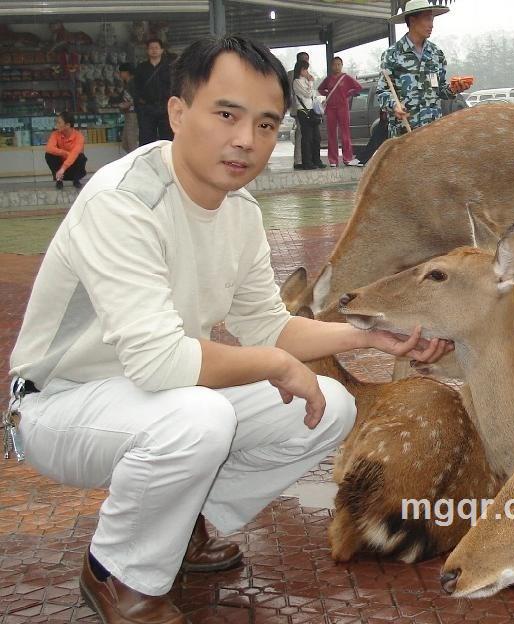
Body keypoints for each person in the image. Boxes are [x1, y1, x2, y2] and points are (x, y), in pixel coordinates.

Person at [9, 36, 449, 624]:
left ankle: (175, 523)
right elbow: (163, 363)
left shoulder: (239, 212)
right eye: (226, 115)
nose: (246, 139)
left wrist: (368, 337)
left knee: (332, 406)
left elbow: (268, 327)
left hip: (157, 398)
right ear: (177, 113)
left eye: (266, 124)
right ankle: (117, 574)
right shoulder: (123, 202)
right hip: (60, 404)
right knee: (200, 418)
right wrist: (277, 365)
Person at [376, 0, 471, 137]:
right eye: (427, 19)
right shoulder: (392, 55)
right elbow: (382, 92)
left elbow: (440, 91)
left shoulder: (436, 54)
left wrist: (454, 89)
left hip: (432, 133)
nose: (431, 25)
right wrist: (394, 106)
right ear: (412, 20)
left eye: (432, 20)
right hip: (404, 133)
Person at [318, 57, 362, 167]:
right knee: (331, 134)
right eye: (334, 64)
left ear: (342, 65)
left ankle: (347, 158)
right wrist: (327, 93)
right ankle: (333, 160)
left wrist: (348, 94)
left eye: (339, 64)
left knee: (345, 133)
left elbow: (358, 87)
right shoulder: (328, 79)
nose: (336, 67)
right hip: (331, 108)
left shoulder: (346, 78)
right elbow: (320, 89)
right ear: (331, 66)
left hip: (343, 108)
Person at [134, 37, 173, 144]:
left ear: (162, 50)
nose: (154, 50)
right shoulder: (141, 68)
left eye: (156, 48)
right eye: (151, 48)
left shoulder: (169, 67)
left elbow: (175, 85)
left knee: (167, 139)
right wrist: (140, 102)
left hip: (165, 107)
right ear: (147, 50)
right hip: (147, 108)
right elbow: (135, 87)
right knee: (146, 139)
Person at [292, 58, 326, 170]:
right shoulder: (297, 81)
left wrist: (310, 83)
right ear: (300, 70)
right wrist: (311, 82)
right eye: (305, 69)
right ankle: (307, 162)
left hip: (312, 111)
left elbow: (313, 94)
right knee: (307, 138)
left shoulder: (306, 81)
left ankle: (317, 160)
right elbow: (307, 94)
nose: (307, 72)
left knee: (316, 137)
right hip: (303, 111)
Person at [44, 111, 86, 189]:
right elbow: (49, 148)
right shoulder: (55, 134)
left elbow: (74, 154)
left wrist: (63, 169)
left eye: (59, 123)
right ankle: (59, 180)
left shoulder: (79, 136)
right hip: (60, 166)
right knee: (49, 155)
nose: (56, 125)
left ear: (67, 125)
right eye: (56, 122)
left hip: (71, 166)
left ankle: (76, 180)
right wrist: (65, 153)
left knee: (81, 157)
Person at [287, 51, 310, 170]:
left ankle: (307, 159)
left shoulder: (308, 74)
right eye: (302, 59)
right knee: (300, 133)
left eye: (306, 59)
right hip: (298, 108)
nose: (305, 61)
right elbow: (288, 92)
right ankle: (298, 160)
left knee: (308, 135)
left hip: (309, 108)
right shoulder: (291, 74)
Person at [116, 62, 139, 153]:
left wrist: (128, 104)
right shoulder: (127, 84)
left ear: (126, 72)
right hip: (127, 114)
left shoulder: (134, 83)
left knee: (131, 141)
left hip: (133, 114)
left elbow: (138, 98)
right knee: (125, 143)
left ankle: (134, 158)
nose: (120, 74)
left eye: (121, 72)